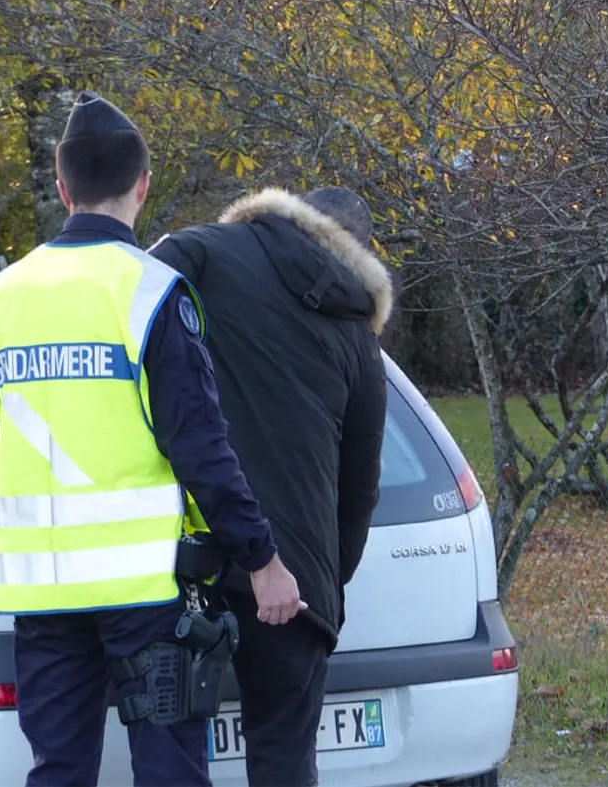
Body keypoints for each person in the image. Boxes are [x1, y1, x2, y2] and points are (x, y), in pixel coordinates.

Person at [0, 91, 306, 787]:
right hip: (145, 588)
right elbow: (199, 445)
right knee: (169, 770)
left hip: (43, 591)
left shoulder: (0, 298)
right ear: (143, 185)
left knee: (59, 770)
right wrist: (260, 557)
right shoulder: (150, 295)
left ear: (61, 188)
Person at [148, 184, 392, 786]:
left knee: (169, 751)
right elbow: (359, 488)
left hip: (185, 555)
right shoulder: (358, 337)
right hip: (295, 573)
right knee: (284, 754)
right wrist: (328, 579)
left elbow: (126, 307)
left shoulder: (204, 251)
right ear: (355, 250)